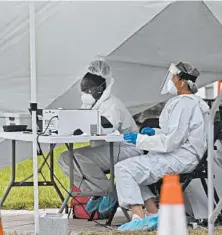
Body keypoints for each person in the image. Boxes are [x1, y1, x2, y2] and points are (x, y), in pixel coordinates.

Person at [116, 62, 209, 231]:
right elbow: (178, 135)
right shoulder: (193, 103)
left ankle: (138, 217)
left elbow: (171, 142)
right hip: (184, 155)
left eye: (173, 77)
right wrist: (156, 132)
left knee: (123, 168)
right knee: (135, 169)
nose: (170, 80)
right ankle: (153, 213)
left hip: (179, 158)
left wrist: (140, 140)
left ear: (182, 82)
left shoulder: (184, 104)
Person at [58, 60, 143, 217]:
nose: (85, 94)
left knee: (78, 157)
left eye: (88, 90)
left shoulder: (112, 104)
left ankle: (109, 192)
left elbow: (107, 128)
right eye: (83, 90)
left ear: (100, 88)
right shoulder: (91, 104)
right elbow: (82, 123)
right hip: (106, 148)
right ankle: (95, 191)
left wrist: (85, 127)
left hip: (126, 148)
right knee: (64, 158)